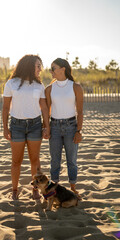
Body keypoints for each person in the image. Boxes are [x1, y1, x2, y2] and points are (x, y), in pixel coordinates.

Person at [2, 54, 50, 200]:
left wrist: (46, 126)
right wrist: (5, 128)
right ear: (29, 66)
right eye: (38, 66)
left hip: (35, 125)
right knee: (16, 161)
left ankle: (35, 189)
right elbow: (5, 108)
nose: (40, 69)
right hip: (16, 126)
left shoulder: (39, 85)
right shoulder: (11, 84)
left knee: (35, 160)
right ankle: (15, 190)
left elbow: (44, 107)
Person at [45, 58, 83, 199]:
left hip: (71, 127)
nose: (51, 71)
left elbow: (80, 111)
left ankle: (73, 188)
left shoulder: (75, 87)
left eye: (53, 68)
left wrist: (79, 131)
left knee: (72, 160)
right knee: (55, 160)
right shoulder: (49, 89)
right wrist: (46, 128)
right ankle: (54, 190)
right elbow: (47, 112)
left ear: (63, 69)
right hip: (54, 127)